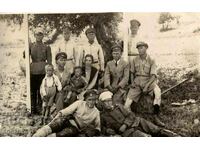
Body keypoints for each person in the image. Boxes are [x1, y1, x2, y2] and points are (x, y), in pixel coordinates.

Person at [98, 91, 179, 137]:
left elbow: (131, 115)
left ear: (112, 100)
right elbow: (102, 128)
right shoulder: (103, 115)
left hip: (138, 122)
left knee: (155, 129)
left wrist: (125, 124)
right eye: (105, 102)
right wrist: (108, 131)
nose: (108, 103)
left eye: (109, 101)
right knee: (145, 137)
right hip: (129, 131)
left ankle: (174, 136)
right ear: (102, 103)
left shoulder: (118, 106)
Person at [124, 41, 165, 127]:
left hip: (149, 81)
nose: (139, 50)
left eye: (141, 48)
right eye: (138, 48)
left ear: (146, 48)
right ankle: (134, 119)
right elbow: (132, 72)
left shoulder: (152, 60)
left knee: (158, 93)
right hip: (137, 81)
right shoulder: (134, 60)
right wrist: (132, 82)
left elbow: (153, 75)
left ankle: (155, 116)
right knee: (127, 104)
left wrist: (147, 86)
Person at [33, 89, 101, 137]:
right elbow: (67, 110)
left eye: (94, 100)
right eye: (89, 99)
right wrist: (58, 116)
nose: (92, 102)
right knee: (52, 126)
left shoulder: (96, 112)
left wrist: (94, 131)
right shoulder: (79, 103)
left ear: (96, 100)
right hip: (67, 120)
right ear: (85, 99)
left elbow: (98, 127)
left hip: (75, 128)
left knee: (62, 134)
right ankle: (36, 136)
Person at [30, 27, 52, 115]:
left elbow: (49, 60)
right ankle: (32, 107)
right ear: (34, 35)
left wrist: (49, 71)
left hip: (43, 70)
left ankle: (40, 107)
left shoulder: (46, 46)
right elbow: (25, 55)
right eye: (37, 34)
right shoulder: (31, 45)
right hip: (33, 70)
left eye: (40, 34)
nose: (39, 36)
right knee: (33, 90)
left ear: (43, 36)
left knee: (41, 90)